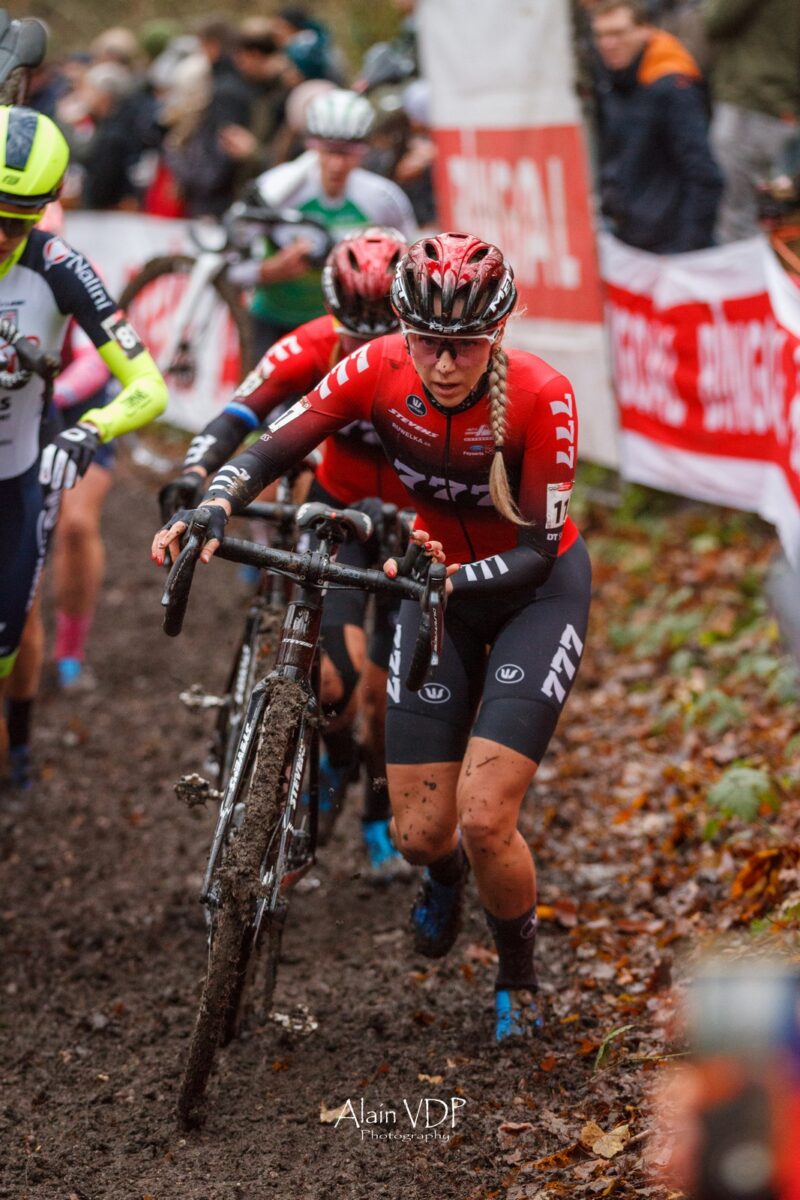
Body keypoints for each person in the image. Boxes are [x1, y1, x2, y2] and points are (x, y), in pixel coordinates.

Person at [153, 232, 592, 1041]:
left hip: (535, 597)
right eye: (428, 341)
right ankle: (446, 878)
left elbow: (534, 552)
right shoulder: (376, 365)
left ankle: (518, 978)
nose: (444, 363)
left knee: (487, 815)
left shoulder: (544, 394)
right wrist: (213, 502)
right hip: (436, 589)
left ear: (496, 334)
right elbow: (282, 439)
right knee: (423, 834)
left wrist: (452, 581)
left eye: (463, 346)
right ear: (402, 327)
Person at [160, 227, 413, 881]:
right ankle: (331, 756)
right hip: (341, 513)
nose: (363, 350)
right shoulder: (311, 344)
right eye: (352, 333)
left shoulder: (438, 361)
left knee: (389, 703)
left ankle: (374, 816)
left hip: (415, 530)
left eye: (380, 331)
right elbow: (239, 416)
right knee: (335, 687)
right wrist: (196, 473)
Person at [0, 105, 168, 787]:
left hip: (16, 478)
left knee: (11, 644)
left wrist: (87, 429)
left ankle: (22, 743)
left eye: (16, 220)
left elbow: (148, 385)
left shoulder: (59, 264)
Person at [247, 87, 417, 359]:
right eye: (328, 151)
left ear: (363, 151)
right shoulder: (275, 189)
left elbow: (412, 269)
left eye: (348, 152)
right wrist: (267, 272)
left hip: (342, 329)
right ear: (311, 146)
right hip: (274, 322)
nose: (337, 164)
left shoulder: (384, 198)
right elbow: (229, 265)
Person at [590, 0, 723, 252]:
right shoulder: (611, 81)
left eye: (618, 33)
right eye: (600, 35)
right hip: (628, 237)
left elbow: (704, 174)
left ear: (645, 30)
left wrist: (688, 247)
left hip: (668, 244)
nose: (608, 44)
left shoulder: (671, 85)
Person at [703, 0, 800, 243]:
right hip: (781, 103)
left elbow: (714, 21)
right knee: (775, 211)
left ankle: (746, 279)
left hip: (751, 102)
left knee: (737, 215)